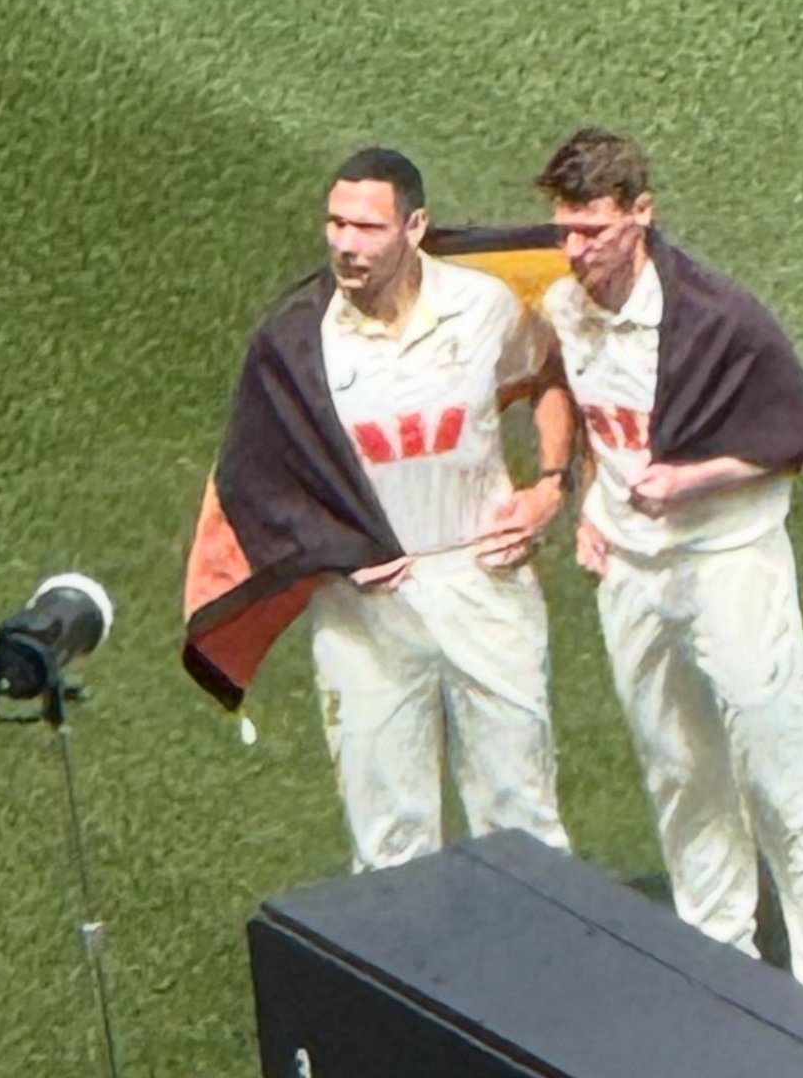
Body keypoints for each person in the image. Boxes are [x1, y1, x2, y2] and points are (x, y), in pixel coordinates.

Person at [535, 127, 803, 1022]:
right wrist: (588, 507)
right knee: (679, 769)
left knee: (780, 776)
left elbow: (793, 431)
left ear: (640, 215)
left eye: (592, 231)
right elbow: (593, 415)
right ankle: (718, 958)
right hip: (632, 572)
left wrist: (690, 479)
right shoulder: (566, 307)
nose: (574, 251)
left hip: (730, 565)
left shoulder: (719, 318)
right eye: (565, 230)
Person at [192, 146, 574, 873]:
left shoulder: (483, 305)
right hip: (363, 610)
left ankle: (536, 950)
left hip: (483, 581)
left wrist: (551, 484)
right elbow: (255, 480)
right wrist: (334, 550)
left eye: (367, 227)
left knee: (522, 819)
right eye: (335, 223)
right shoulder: (297, 340)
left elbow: (548, 375)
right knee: (389, 843)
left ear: (415, 227)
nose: (345, 243)